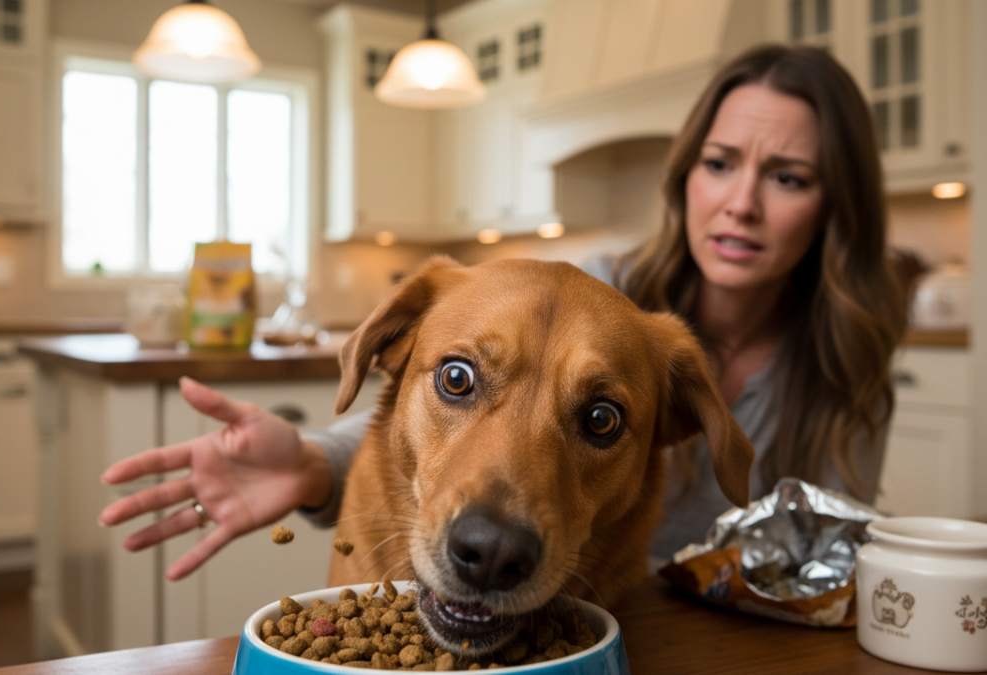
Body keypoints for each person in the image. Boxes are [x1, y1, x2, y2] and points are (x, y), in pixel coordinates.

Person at [97, 43, 908, 579]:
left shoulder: (845, 369)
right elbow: (426, 404)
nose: (741, 203)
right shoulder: (578, 295)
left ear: (834, 206)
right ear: (687, 175)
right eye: (720, 163)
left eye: (788, 177)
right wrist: (311, 459)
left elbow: (827, 566)